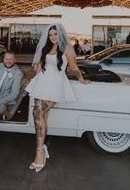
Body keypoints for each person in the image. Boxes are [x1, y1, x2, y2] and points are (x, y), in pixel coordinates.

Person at [25, 24, 90, 172]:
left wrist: (81, 80)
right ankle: (42, 148)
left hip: (56, 82)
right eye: (50, 35)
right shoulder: (45, 48)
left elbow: (73, 67)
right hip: (42, 81)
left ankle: (39, 151)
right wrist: (33, 80)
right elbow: (40, 67)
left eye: (55, 34)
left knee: (38, 113)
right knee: (42, 115)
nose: (53, 37)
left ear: (60, 34)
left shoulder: (67, 48)